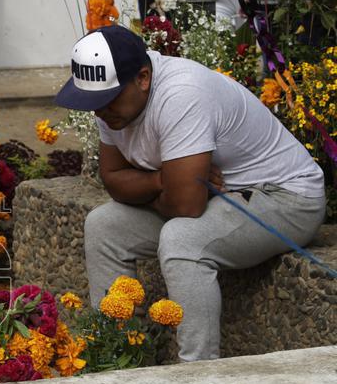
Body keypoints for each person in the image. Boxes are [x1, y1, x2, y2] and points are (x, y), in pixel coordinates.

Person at [55, 25, 325, 362]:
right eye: (92, 101)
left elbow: (186, 205)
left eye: (106, 100)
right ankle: (119, 359)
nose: (98, 112)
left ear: (143, 78)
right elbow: (113, 178)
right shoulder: (113, 101)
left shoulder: (182, 94)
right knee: (104, 225)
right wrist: (161, 181)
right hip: (220, 198)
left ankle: (197, 376)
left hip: (284, 197)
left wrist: (174, 185)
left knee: (183, 240)